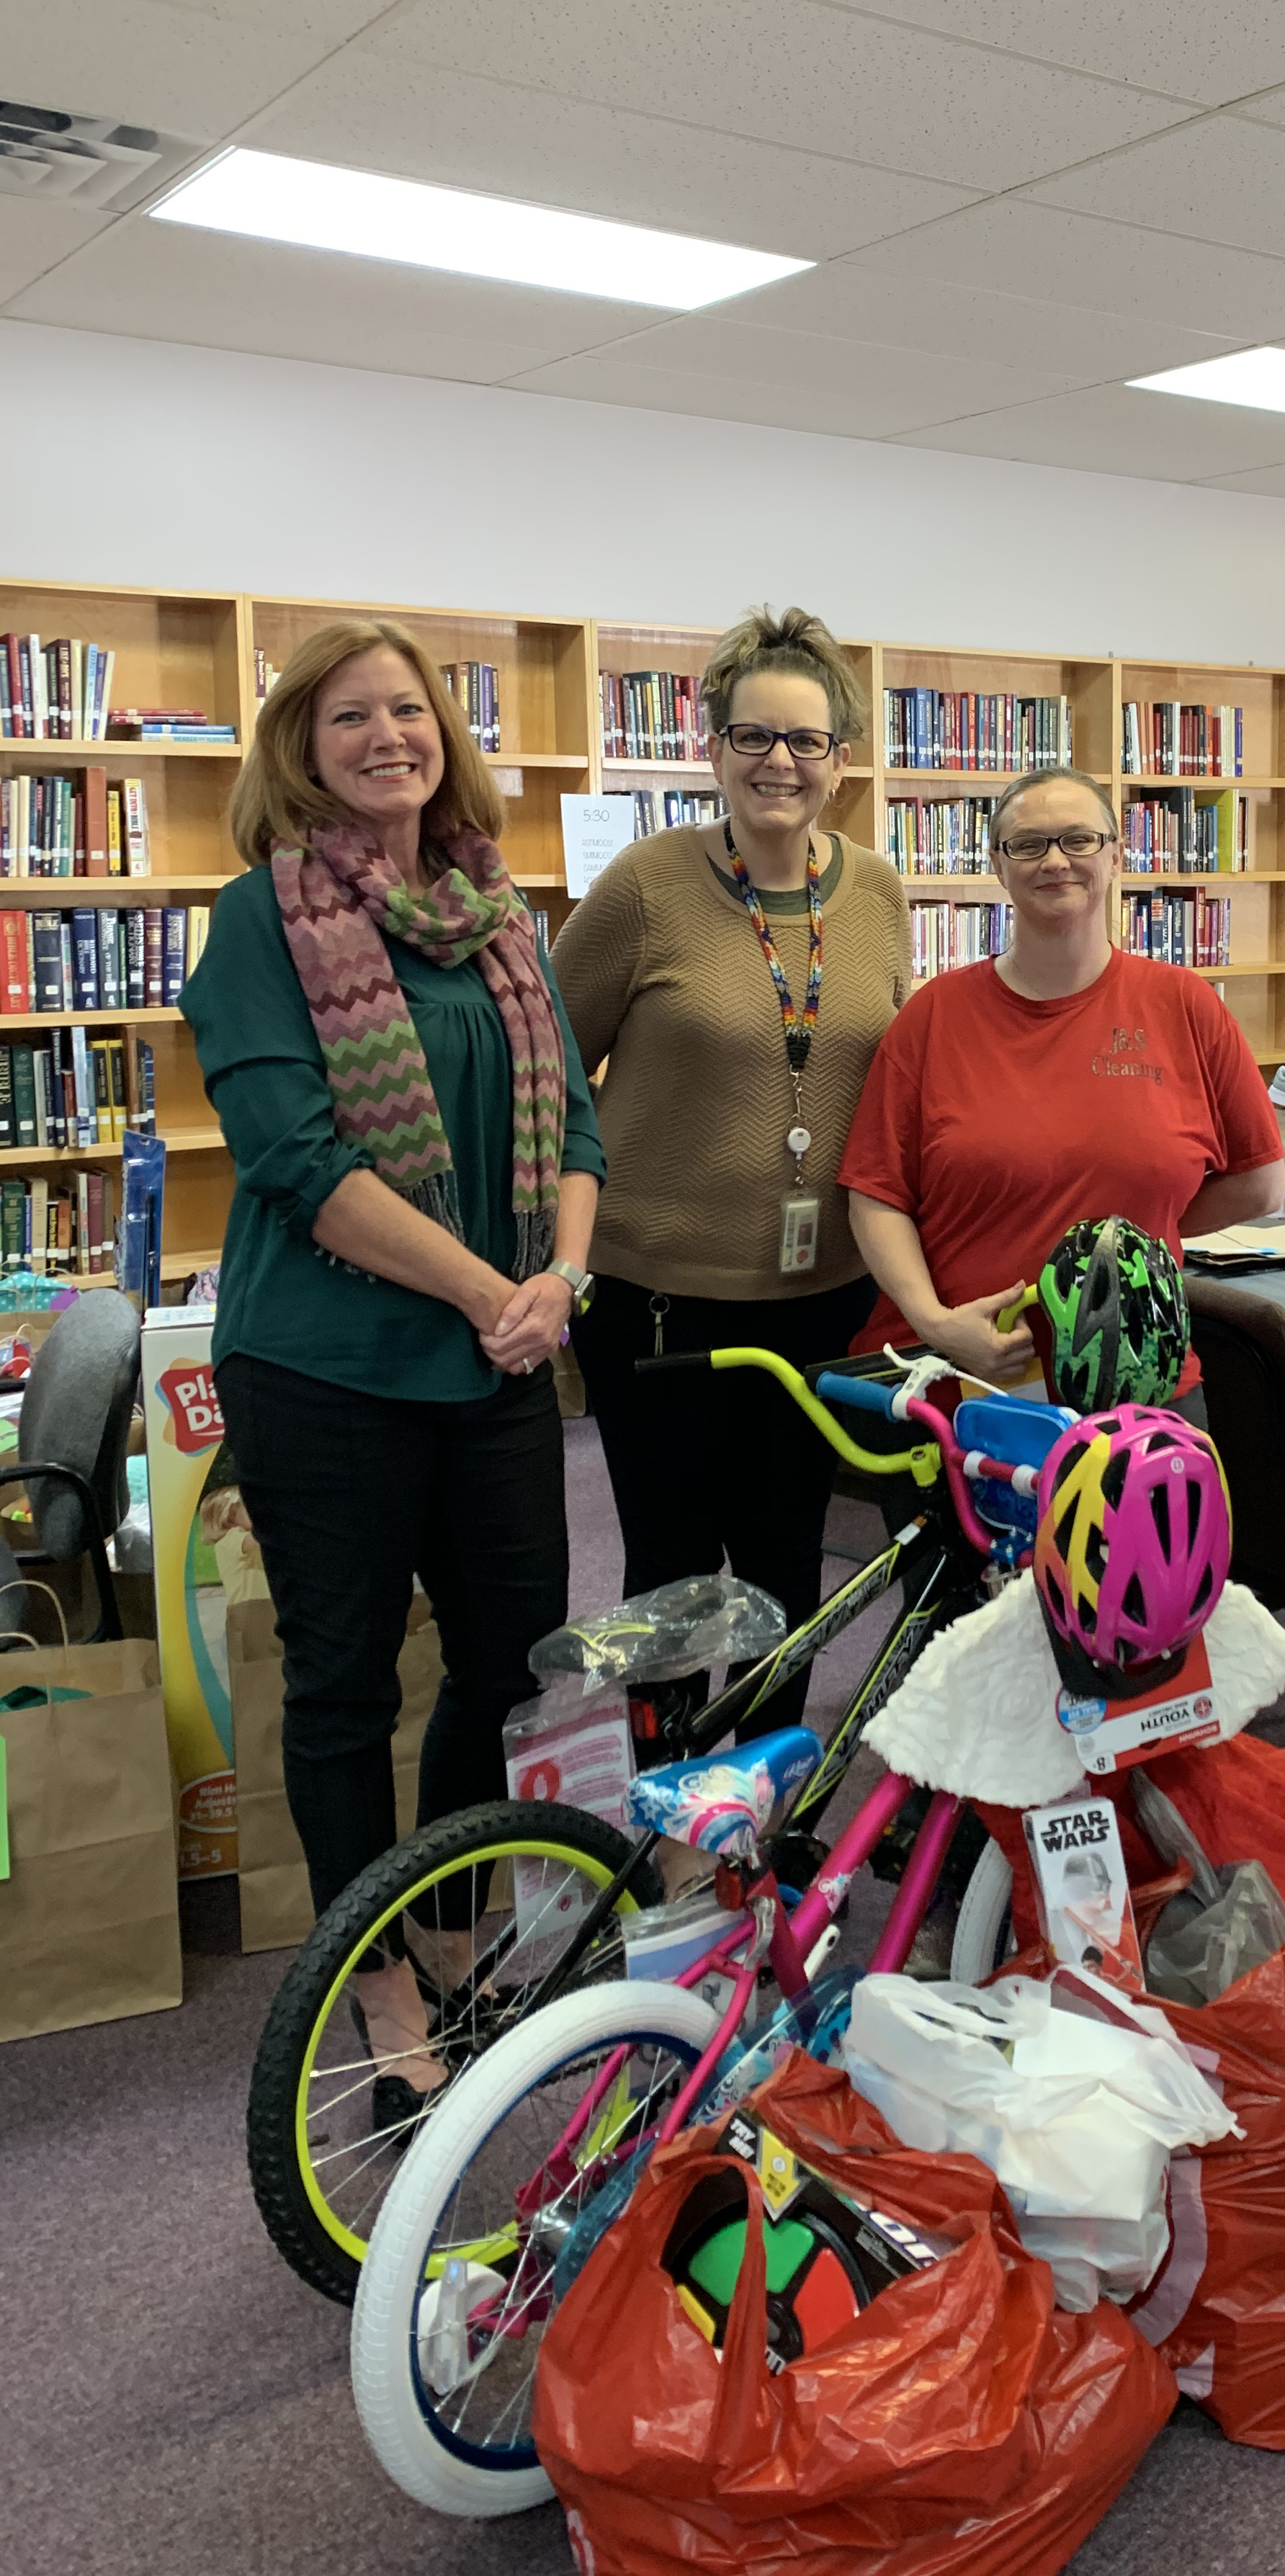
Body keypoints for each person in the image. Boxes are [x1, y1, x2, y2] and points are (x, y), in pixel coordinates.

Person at [186, 617, 606, 2101]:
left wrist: (558, 1274)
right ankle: (370, 1991)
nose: (387, 737)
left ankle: (449, 1933)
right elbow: (297, 1157)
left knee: (507, 1667)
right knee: (347, 1683)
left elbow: (580, 1131)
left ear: (446, 735)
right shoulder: (257, 919)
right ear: (301, 746)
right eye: (349, 716)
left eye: (409, 712)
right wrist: (506, 1289)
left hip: (498, 1357)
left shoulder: (499, 910)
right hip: (328, 1366)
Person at [552, 608, 908, 1735]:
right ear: (712, 750)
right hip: (657, 1300)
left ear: (841, 762)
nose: (780, 764)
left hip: (821, 1299)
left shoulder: (881, 894)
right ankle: (668, 1821)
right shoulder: (650, 886)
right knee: (669, 1573)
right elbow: (550, 1068)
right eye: (753, 737)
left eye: (806, 742)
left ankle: (757, 1807)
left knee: (782, 1560)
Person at [838, 766, 1285, 1389]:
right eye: (1028, 844)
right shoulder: (934, 1015)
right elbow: (875, 1193)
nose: (1056, 862)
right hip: (963, 1376)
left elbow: (1260, 1185)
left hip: (1138, 1381)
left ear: (1116, 856)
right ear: (998, 863)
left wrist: (1124, 1243)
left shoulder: (1185, 1006)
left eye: (1079, 840)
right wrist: (936, 1321)